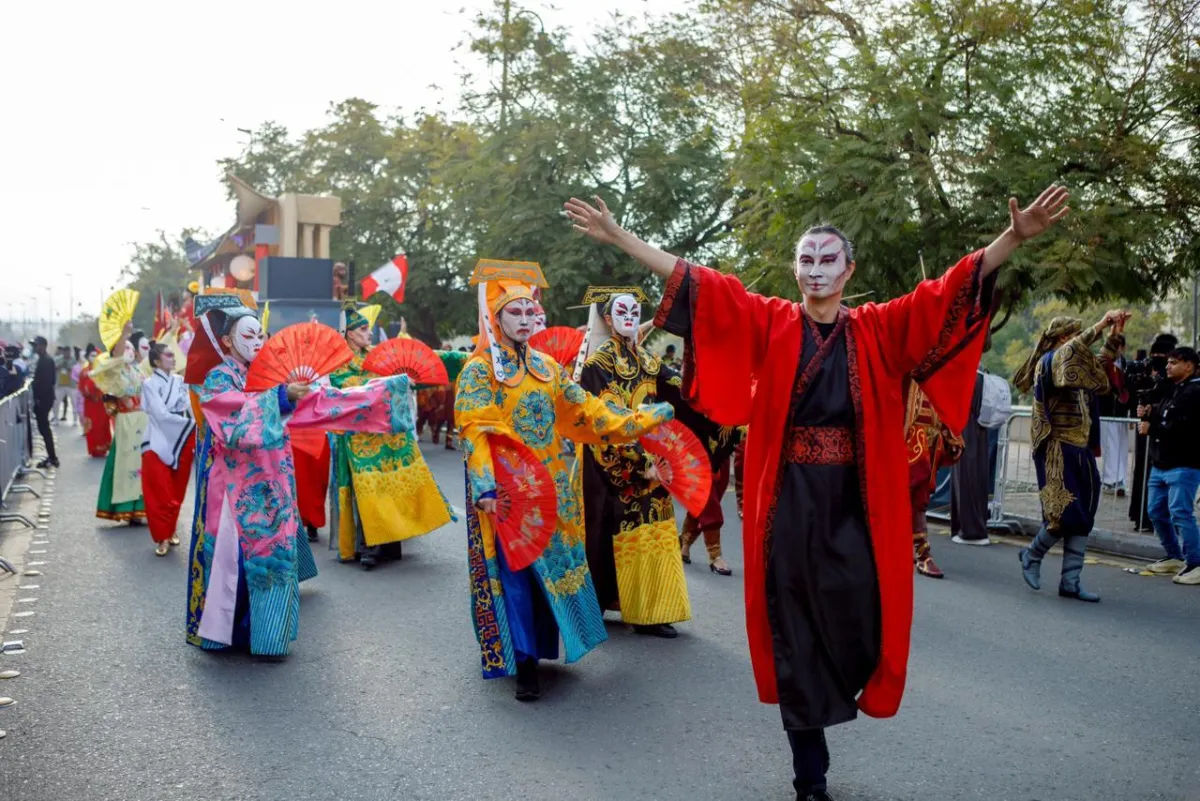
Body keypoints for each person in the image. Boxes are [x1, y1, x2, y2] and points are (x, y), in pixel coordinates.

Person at [566, 183, 1068, 801]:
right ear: (794, 269)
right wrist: (618, 236)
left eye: (829, 260)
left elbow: (943, 293)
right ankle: (810, 773)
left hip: (857, 505)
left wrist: (1012, 238)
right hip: (788, 506)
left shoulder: (878, 328)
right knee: (793, 629)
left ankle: (834, 696)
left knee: (861, 611)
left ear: (848, 270)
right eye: (806, 260)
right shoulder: (771, 321)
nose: (816, 270)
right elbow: (701, 284)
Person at [456, 276, 673, 701]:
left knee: (549, 573)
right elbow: (475, 430)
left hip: (552, 489)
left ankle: (539, 647)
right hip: (507, 494)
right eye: (513, 312)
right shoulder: (480, 371)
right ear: (495, 319)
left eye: (529, 311)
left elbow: (589, 411)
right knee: (516, 576)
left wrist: (642, 419)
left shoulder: (547, 369)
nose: (524, 319)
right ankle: (524, 664)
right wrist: (484, 487)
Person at [186, 306, 415, 659]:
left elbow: (320, 404)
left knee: (273, 560)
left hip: (273, 482)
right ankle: (230, 632)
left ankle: (269, 637)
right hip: (237, 489)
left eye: (259, 335)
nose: (257, 342)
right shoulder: (219, 378)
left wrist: (386, 391)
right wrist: (279, 397)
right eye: (248, 335)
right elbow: (228, 416)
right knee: (236, 563)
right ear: (227, 341)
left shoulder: (266, 375)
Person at [577, 288, 692, 638]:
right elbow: (605, 417)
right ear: (608, 319)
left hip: (652, 460)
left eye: (635, 310)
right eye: (621, 311)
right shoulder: (599, 364)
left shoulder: (647, 360)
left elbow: (681, 389)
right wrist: (640, 462)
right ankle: (596, 608)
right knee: (606, 533)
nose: (629, 316)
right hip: (610, 461)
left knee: (652, 529)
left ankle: (651, 611)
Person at [1014, 311, 1126, 603]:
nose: (1079, 340)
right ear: (1062, 338)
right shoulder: (1048, 362)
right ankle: (1032, 554)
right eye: (1074, 335)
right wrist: (1101, 324)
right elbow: (1071, 352)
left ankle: (1071, 582)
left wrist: (1115, 334)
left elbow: (1098, 367)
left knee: (1084, 516)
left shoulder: (1072, 362)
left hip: (1081, 449)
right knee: (1062, 515)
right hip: (1057, 447)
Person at [330, 307, 454, 569]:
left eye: (368, 329)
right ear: (349, 334)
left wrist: (401, 380)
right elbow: (348, 389)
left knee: (391, 487)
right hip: (359, 439)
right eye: (363, 330)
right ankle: (368, 546)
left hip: (387, 433)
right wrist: (387, 382)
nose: (368, 333)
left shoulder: (376, 355)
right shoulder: (340, 361)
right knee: (368, 490)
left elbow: (392, 378)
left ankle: (391, 541)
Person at [1137, 347, 1200, 585]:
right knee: (1155, 511)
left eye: (1174, 362)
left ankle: (1196, 562)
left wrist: (1152, 427)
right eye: (1168, 362)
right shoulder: (1172, 389)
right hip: (1160, 462)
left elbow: (1183, 428)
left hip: (1184, 464)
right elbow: (1163, 417)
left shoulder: (1195, 392)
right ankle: (1174, 555)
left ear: (1189, 366)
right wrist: (1149, 412)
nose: (1168, 366)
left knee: (1181, 513)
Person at [904, 378, 964, 579]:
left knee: (920, 497)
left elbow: (942, 400)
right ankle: (919, 552)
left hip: (931, 436)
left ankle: (920, 552)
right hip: (905, 433)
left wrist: (951, 434)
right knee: (904, 492)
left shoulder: (937, 367)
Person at [141, 340, 196, 556]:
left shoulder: (181, 381)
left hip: (181, 438)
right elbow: (160, 415)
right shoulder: (149, 384)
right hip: (157, 440)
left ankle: (171, 530)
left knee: (177, 491)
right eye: (169, 355)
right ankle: (161, 536)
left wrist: (198, 424)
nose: (173, 358)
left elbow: (190, 408)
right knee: (160, 493)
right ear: (156, 361)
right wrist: (190, 425)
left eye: (173, 355)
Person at [91, 326, 149, 523]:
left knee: (143, 464)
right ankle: (126, 507)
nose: (130, 351)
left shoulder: (138, 370)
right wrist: (124, 331)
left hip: (143, 420)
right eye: (126, 348)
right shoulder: (116, 372)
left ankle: (141, 507)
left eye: (132, 348)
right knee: (127, 464)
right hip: (127, 421)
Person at [1128, 334, 1177, 530]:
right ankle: (1144, 516)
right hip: (1148, 432)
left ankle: (1152, 517)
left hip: (1163, 433)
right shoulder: (1146, 373)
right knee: (1144, 473)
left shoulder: (1174, 381)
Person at [950, 368, 996, 545]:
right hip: (980, 430)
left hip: (964, 429)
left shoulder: (965, 375)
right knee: (977, 477)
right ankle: (976, 526)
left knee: (964, 478)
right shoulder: (984, 376)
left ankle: (968, 531)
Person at [1098, 333, 1131, 495]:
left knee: (1122, 446)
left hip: (1121, 411)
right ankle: (1111, 479)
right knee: (1110, 445)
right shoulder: (1103, 363)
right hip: (1106, 410)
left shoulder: (1125, 363)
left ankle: (1121, 478)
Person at [77, 344, 113, 458]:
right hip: (91, 403)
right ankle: (94, 448)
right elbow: (82, 388)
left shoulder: (104, 370)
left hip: (102, 403)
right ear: (87, 357)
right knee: (92, 426)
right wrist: (90, 389)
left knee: (103, 425)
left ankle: (105, 446)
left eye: (96, 355)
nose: (94, 357)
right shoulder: (84, 372)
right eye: (92, 355)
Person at [30, 336, 59, 469]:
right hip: (43, 399)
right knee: (44, 429)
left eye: (36, 345)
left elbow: (48, 382)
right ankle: (52, 456)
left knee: (45, 429)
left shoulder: (46, 361)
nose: (34, 348)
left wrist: (39, 399)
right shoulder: (43, 360)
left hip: (44, 399)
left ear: (42, 345)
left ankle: (52, 457)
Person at [69, 348, 85, 428]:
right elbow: (73, 376)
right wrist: (79, 380)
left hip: (86, 390)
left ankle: (86, 428)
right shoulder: (75, 367)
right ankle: (81, 425)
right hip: (77, 389)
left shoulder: (88, 367)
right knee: (78, 406)